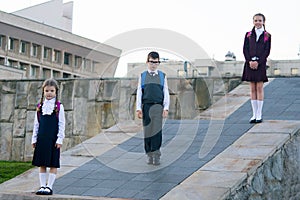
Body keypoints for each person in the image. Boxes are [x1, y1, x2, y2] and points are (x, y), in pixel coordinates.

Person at [32, 78, 65, 195]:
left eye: (51, 91)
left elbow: (61, 124)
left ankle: (49, 187)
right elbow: (37, 123)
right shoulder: (40, 106)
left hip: (53, 139)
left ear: (56, 92)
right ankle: (42, 186)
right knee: (42, 163)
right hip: (41, 138)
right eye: (47, 91)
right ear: (43, 92)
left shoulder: (59, 107)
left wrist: (59, 139)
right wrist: (34, 138)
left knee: (52, 163)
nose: (49, 93)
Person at [136, 51, 170, 165]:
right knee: (148, 131)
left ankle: (156, 154)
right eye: (151, 62)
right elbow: (139, 93)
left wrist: (166, 107)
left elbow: (165, 92)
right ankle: (149, 153)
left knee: (157, 131)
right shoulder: (143, 76)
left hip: (158, 106)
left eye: (156, 62)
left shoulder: (162, 76)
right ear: (147, 62)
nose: (153, 65)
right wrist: (138, 108)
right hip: (147, 106)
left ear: (158, 63)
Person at [242, 13, 271, 123]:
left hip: (261, 64)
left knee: (259, 88)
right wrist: (249, 61)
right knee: (252, 89)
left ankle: (259, 114)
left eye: (260, 20)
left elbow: (266, 51)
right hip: (249, 64)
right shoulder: (248, 35)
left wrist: (258, 62)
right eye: (256, 20)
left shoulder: (267, 36)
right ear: (253, 22)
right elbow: (245, 49)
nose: (258, 22)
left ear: (263, 22)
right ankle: (254, 114)